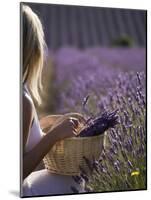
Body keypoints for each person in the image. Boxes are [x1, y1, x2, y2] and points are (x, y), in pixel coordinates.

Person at [22, 5, 86, 197]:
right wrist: (53, 136)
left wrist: (44, 123)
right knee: (74, 179)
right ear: (32, 48)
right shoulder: (21, 100)